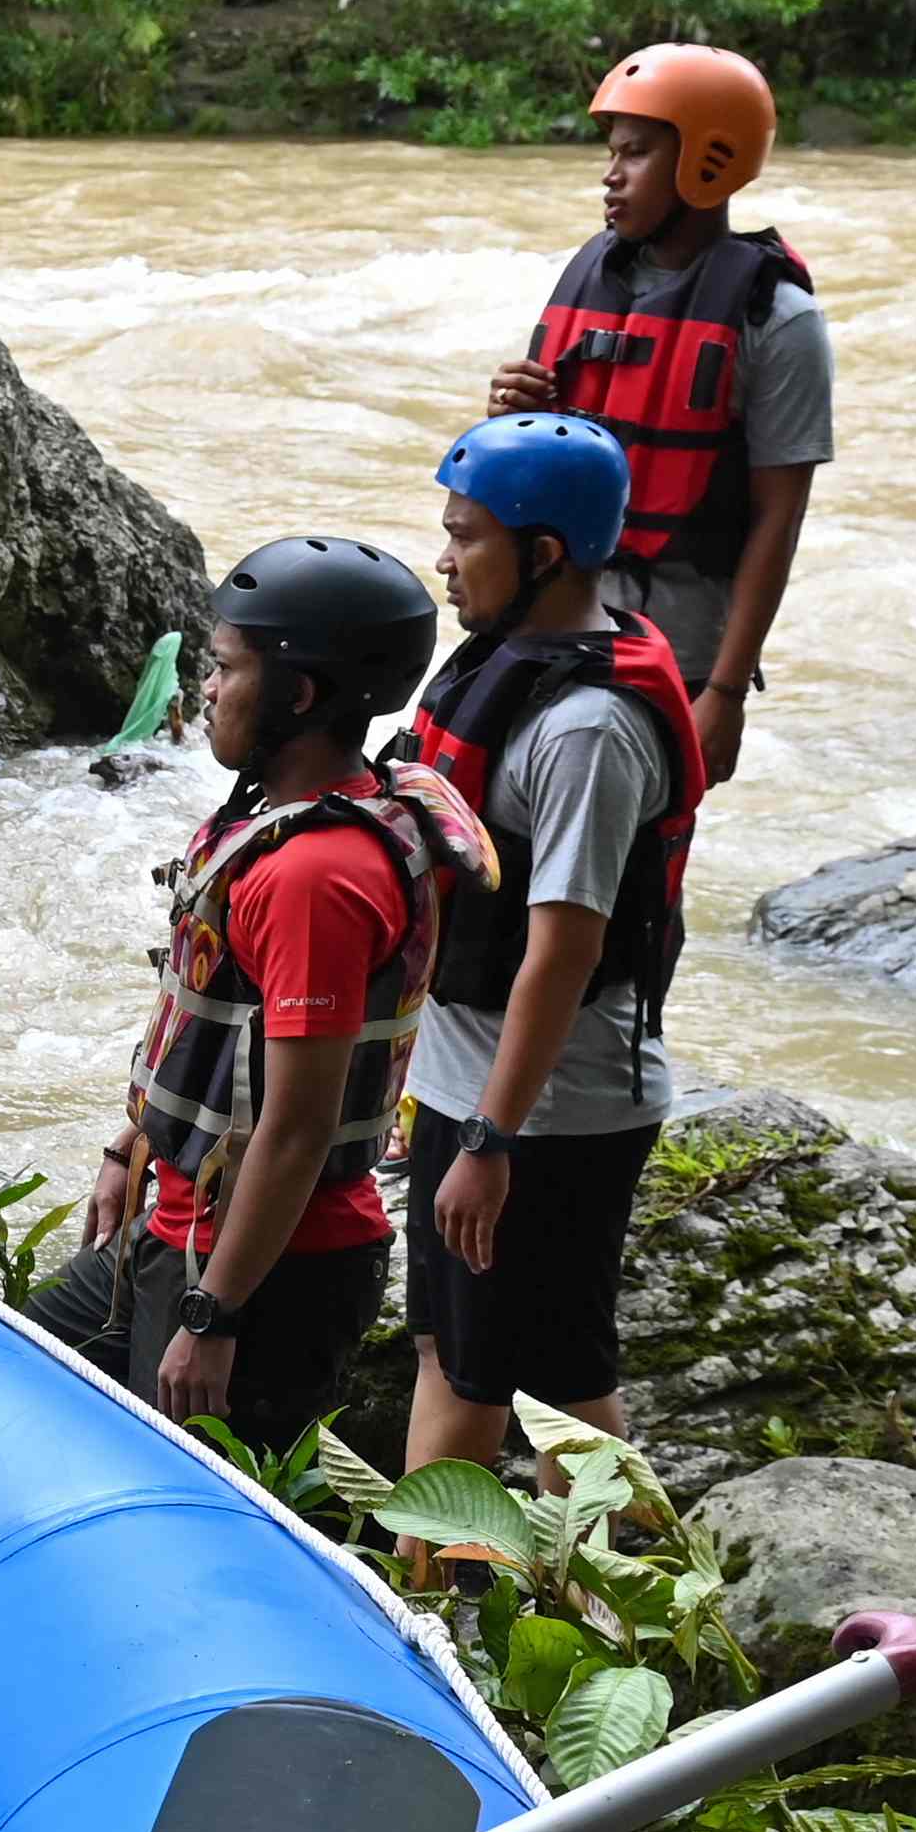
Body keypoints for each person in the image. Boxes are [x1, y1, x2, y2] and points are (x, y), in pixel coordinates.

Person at [33, 537, 480, 1453]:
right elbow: (208, 1020)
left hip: (264, 1272)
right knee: (13, 1367)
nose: (204, 687)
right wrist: (132, 1145)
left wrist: (213, 1317)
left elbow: (299, 1126)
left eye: (227, 668)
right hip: (181, 1224)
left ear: (301, 695)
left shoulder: (317, 875)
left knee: (177, 1511)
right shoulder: (272, 813)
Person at [393, 412, 702, 1480]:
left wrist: (491, 1140)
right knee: (451, 1348)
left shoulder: (586, 731)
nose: (443, 557)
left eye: (465, 535)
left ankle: (627, 1600)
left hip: (551, 1115)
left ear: (545, 553)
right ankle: (438, 1583)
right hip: (466, 1083)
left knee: (550, 1382)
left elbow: (563, 951)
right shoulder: (510, 667)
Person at [486, 41, 828, 792]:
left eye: (636, 154)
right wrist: (514, 415)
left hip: (679, 643)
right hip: (556, 619)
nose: (611, 176)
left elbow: (780, 518)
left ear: (710, 161)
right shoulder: (594, 277)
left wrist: (726, 695)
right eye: (612, 153)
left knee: (630, 868)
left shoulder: (777, 318)